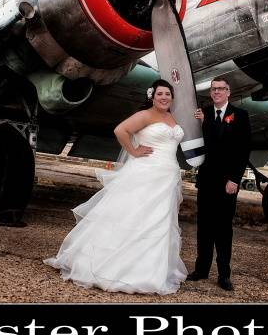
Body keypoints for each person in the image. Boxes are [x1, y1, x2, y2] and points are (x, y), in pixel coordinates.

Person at [44, 79, 188, 295]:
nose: (164, 97)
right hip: (146, 173)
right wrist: (134, 151)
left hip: (167, 176)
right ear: (152, 96)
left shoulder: (171, 117)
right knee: (135, 216)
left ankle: (151, 271)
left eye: (167, 94)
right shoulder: (146, 115)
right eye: (160, 94)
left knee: (159, 221)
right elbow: (121, 130)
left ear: (172, 97)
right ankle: (116, 268)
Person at [187, 76, 251, 291]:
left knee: (223, 229)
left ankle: (224, 274)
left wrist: (235, 179)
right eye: (214, 89)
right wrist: (198, 123)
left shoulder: (240, 115)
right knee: (204, 227)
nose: (216, 92)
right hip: (206, 180)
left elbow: (243, 150)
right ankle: (201, 269)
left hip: (227, 182)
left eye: (221, 89)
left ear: (228, 92)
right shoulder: (202, 114)